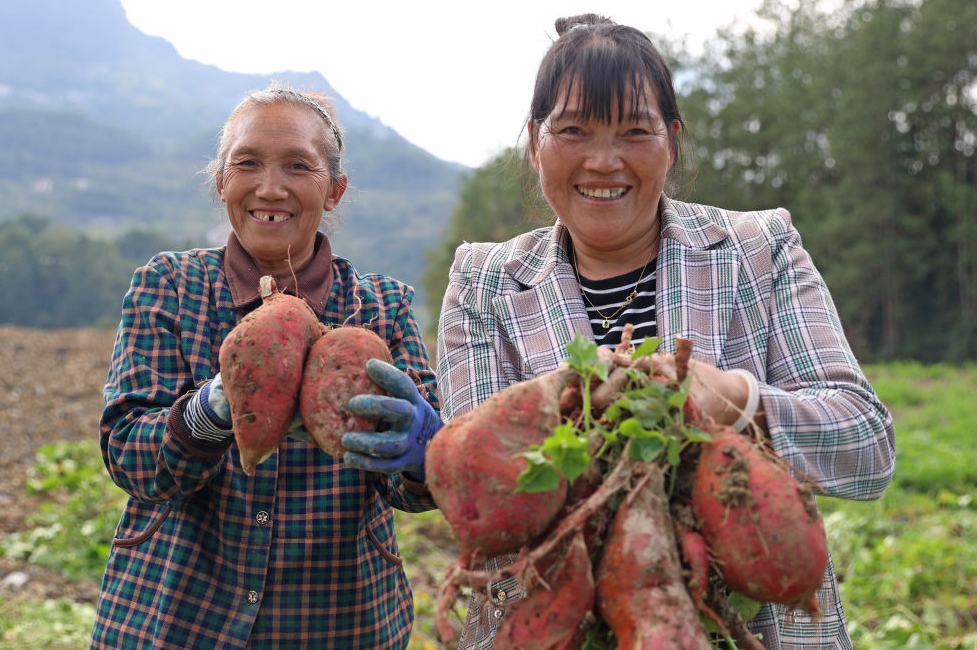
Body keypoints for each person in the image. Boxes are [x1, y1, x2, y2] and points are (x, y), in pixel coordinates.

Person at [435, 14, 896, 650]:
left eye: (634, 130)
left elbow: (868, 446)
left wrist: (738, 401)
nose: (604, 160)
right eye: (573, 130)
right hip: (546, 625)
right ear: (536, 142)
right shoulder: (483, 280)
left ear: (670, 141)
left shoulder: (759, 248)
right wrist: (567, 402)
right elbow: (479, 491)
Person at [90, 83, 442, 649]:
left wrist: (422, 448)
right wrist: (211, 411)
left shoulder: (383, 308)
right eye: (247, 163)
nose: (269, 187)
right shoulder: (168, 285)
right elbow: (131, 459)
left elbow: (418, 493)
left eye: (298, 166)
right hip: (174, 618)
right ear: (222, 180)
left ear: (334, 189)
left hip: (337, 623)